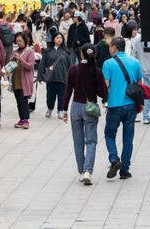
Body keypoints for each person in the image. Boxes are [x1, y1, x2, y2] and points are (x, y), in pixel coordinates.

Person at [62, 44, 108, 185]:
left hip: (76, 107)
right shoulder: (97, 71)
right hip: (90, 108)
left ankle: (81, 172)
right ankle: (88, 171)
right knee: (91, 141)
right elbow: (103, 93)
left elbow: (68, 91)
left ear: (81, 54)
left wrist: (64, 110)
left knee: (78, 141)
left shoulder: (73, 70)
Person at [102, 37, 143, 180]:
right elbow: (139, 85)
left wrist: (104, 100)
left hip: (114, 105)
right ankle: (125, 170)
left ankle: (114, 159)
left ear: (113, 47)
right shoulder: (135, 62)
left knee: (109, 134)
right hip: (131, 105)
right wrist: (141, 103)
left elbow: (105, 86)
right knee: (128, 138)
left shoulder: (108, 64)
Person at [38, 33, 72, 119]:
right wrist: (40, 76)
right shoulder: (47, 51)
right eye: (57, 38)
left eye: (61, 38)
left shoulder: (66, 51)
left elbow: (70, 66)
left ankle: (60, 110)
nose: (59, 39)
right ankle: (50, 108)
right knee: (50, 95)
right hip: (51, 78)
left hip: (62, 77)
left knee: (62, 95)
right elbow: (42, 64)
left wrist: (72, 78)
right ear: (53, 39)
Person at [9, 33, 35, 129]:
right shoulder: (15, 51)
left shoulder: (29, 52)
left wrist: (21, 60)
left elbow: (30, 66)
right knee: (18, 101)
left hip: (25, 80)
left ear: (25, 41)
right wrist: (12, 61)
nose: (18, 43)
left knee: (23, 100)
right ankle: (21, 119)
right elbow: (10, 67)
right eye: (17, 41)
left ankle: (26, 120)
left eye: (20, 41)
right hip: (16, 80)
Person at [131, 23, 150, 124]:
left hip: (143, 70)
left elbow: (134, 56)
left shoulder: (138, 42)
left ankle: (146, 116)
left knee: (146, 94)